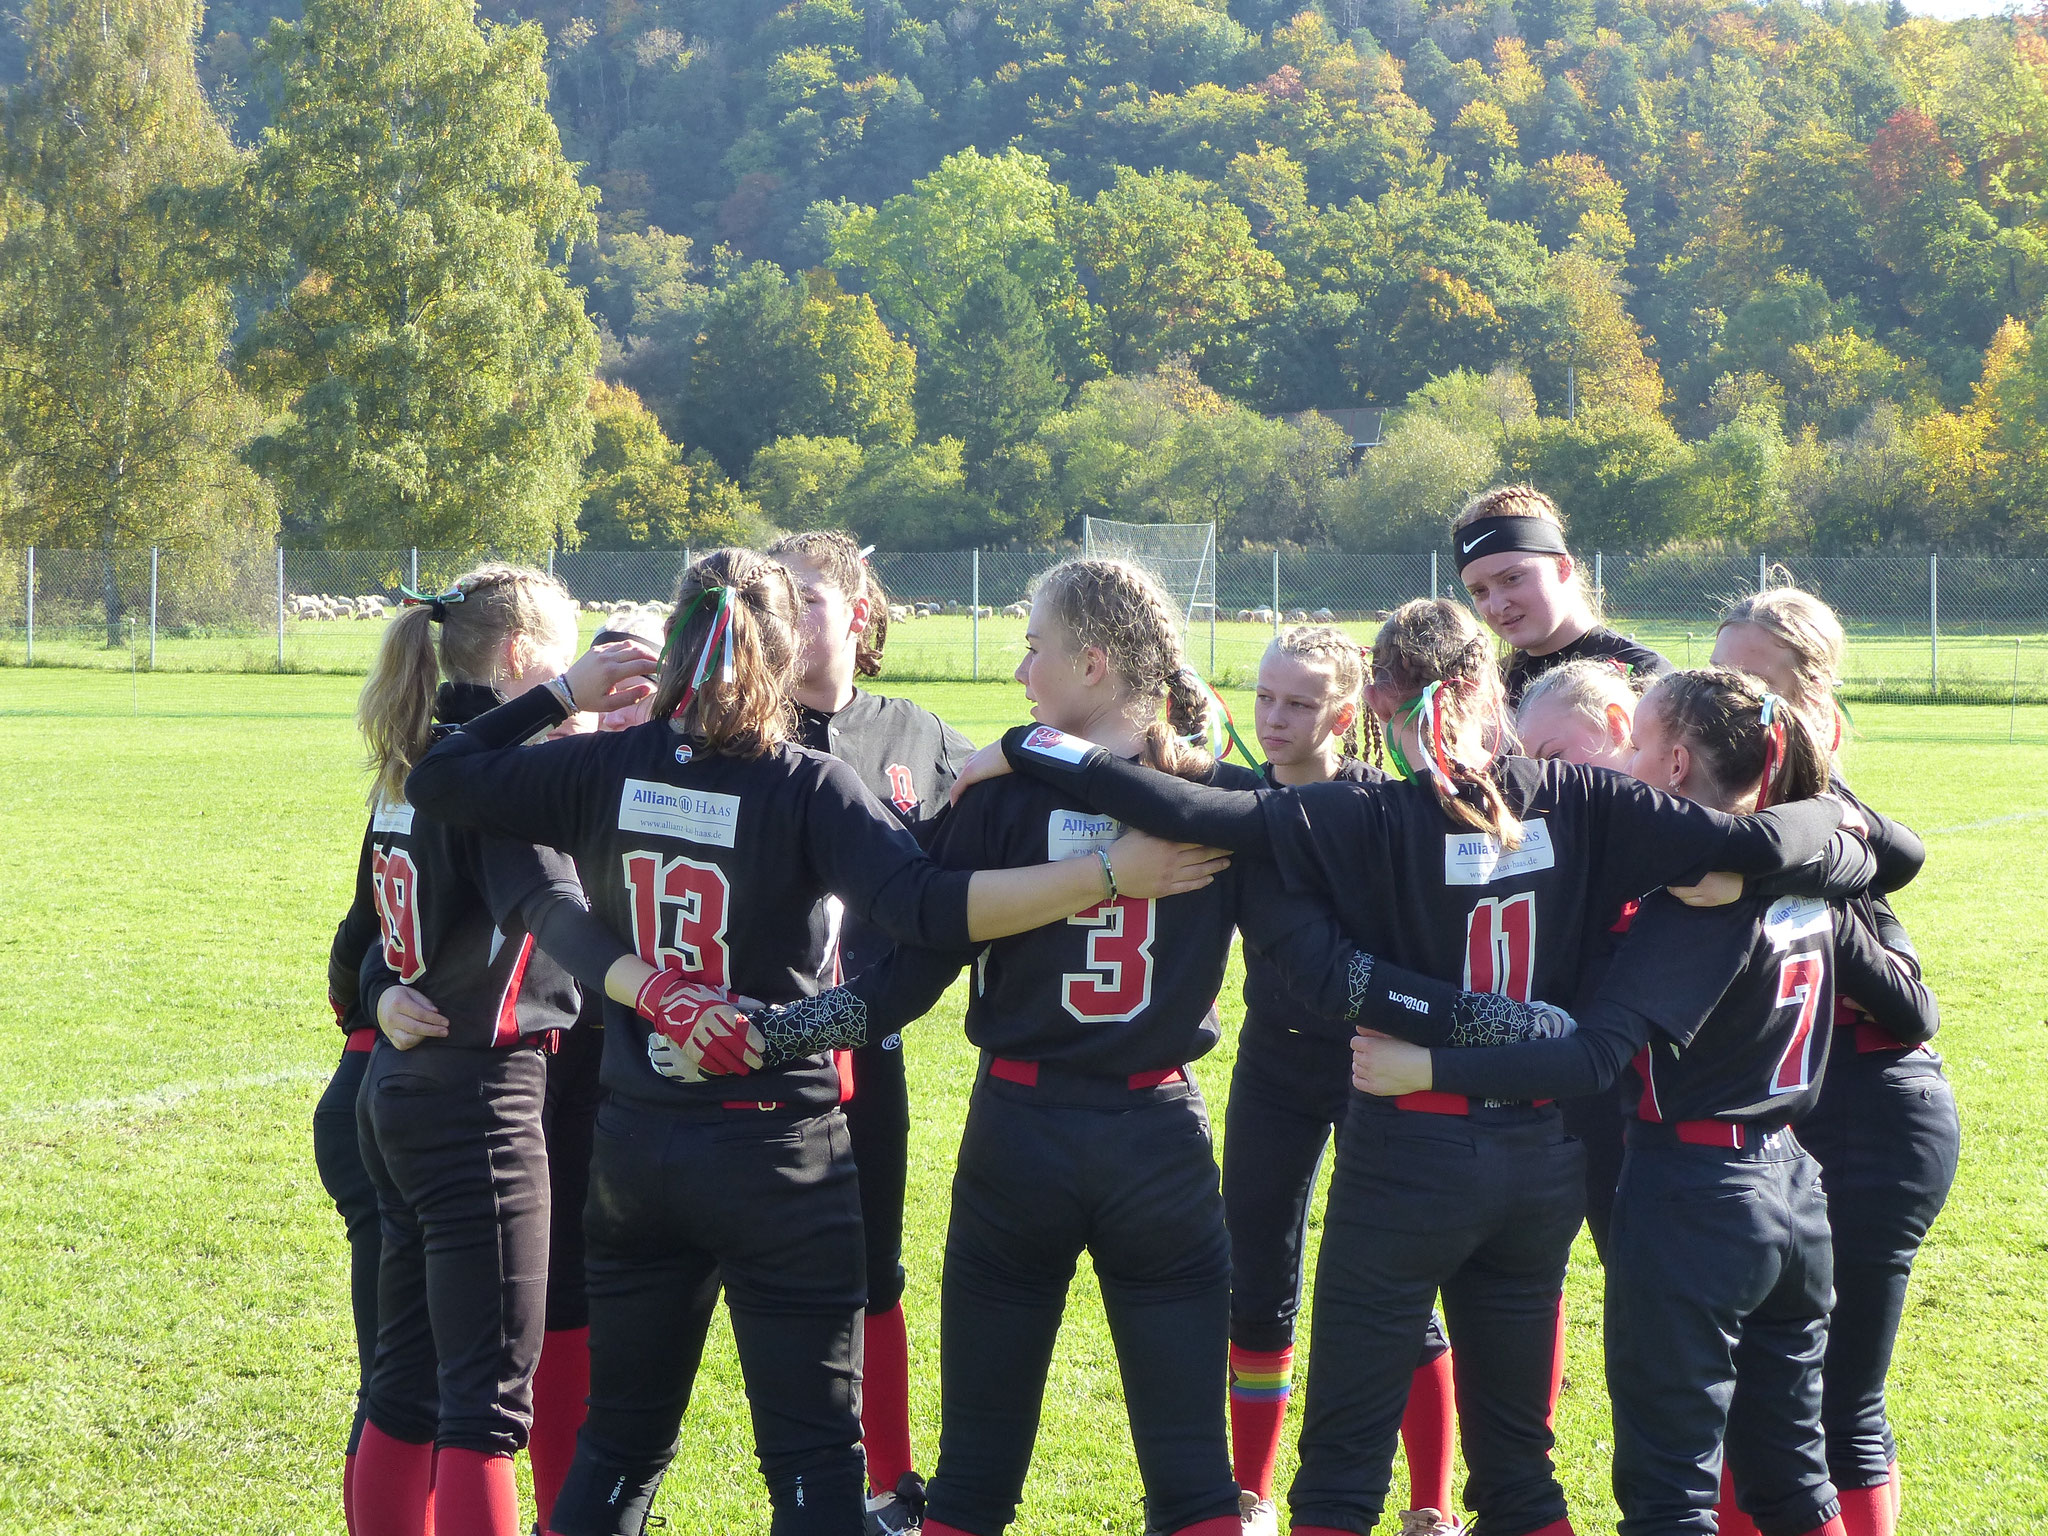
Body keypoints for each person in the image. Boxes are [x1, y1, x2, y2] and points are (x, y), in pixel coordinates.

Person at [964, 597, 1848, 1536]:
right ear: (1491, 689)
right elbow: (1773, 842)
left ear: (1379, 705)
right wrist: (1836, 818)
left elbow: (1196, 818)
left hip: (1409, 1157)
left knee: (1341, 1476)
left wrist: (1033, 745)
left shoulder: (1362, 812)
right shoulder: (1581, 795)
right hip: (1539, 1152)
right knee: (1520, 1474)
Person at [401, 549, 1231, 1536]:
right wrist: (777, 1034)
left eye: (1030, 647)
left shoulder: (601, 761)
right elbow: (925, 913)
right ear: (785, 653)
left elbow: (441, 775)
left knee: (621, 1446)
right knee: (813, 1458)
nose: (1019, 666)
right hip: (784, 1143)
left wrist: (561, 695)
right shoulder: (810, 784)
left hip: (642, 1133)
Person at [718, 563, 1517, 1536]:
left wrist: (772, 1034)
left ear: (1092, 665)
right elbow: (1327, 977)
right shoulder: (1219, 795)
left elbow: (898, 985)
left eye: (1035, 649)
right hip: (1156, 1137)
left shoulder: (999, 795)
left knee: (971, 1484)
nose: (1020, 671)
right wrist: (1488, 1025)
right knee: (1193, 1487)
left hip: (1019, 1133)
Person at [1351, 666, 1936, 1536]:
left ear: (1674, 766)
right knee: (1792, 1474)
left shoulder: (1688, 903)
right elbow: (1909, 983)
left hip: (1697, 1195)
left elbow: (1592, 1059)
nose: (1620, 760)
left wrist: (1430, 1069)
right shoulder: (1803, 880)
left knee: (1671, 1494)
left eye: (1636, 744)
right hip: (1795, 1192)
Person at [346, 565, 672, 1536]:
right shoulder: (495, 781)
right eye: (568, 659)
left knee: (404, 1388)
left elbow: (380, 935)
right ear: (526, 655)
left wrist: (380, 988)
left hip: (400, 1089)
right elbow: (548, 908)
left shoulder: (415, 757)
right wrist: (647, 984)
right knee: (484, 1407)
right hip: (479, 1098)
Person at [1712, 587, 1959, 1536]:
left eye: (1758, 684)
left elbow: (1907, 998)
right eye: (1721, 676)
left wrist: (1805, 867)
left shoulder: (1824, 825)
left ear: (1818, 708)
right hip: (1784, 1111)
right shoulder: (1749, 815)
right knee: (1748, 1398)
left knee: (1836, 1400)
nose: (1736, 702)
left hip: (1874, 1110)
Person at [1226, 627, 1457, 1536]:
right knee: (1257, 1271)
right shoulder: (1239, 799)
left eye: (1300, 702)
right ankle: (1251, 1495)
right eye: (1264, 697)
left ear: (1346, 712)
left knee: (1397, 1281)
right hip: (1273, 1059)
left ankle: (1432, 1504)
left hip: (1376, 1061)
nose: (1275, 718)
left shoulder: (1383, 806)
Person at [770, 530, 975, 1535]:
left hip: (865, 1047)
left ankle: (890, 1484)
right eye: (771, 598)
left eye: (805, 598)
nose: (784, 616)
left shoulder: (919, 736)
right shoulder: (735, 723)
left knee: (874, 1273)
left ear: (856, 612)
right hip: (744, 1048)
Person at [1452, 486, 1670, 708]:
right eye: (1479, 591)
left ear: (1563, 566)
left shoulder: (1643, 674)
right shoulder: (1488, 689)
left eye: (1512, 578)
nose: (1497, 606)